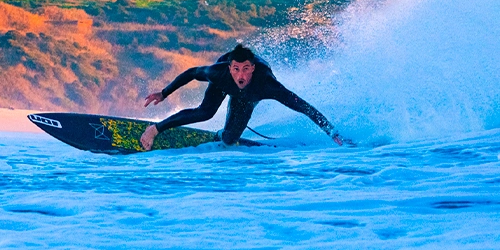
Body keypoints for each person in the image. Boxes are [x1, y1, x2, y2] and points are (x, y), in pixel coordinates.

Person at [140, 43, 346, 150]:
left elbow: (301, 106)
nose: (241, 75)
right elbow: (192, 73)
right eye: (236, 69)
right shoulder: (219, 72)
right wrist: (164, 93)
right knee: (205, 112)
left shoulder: (266, 84)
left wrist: (331, 131)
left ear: (253, 68)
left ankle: (223, 133)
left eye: (246, 69)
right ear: (230, 68)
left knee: (229, 140)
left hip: (248, 96)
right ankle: (155, 129)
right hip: (223, 84)